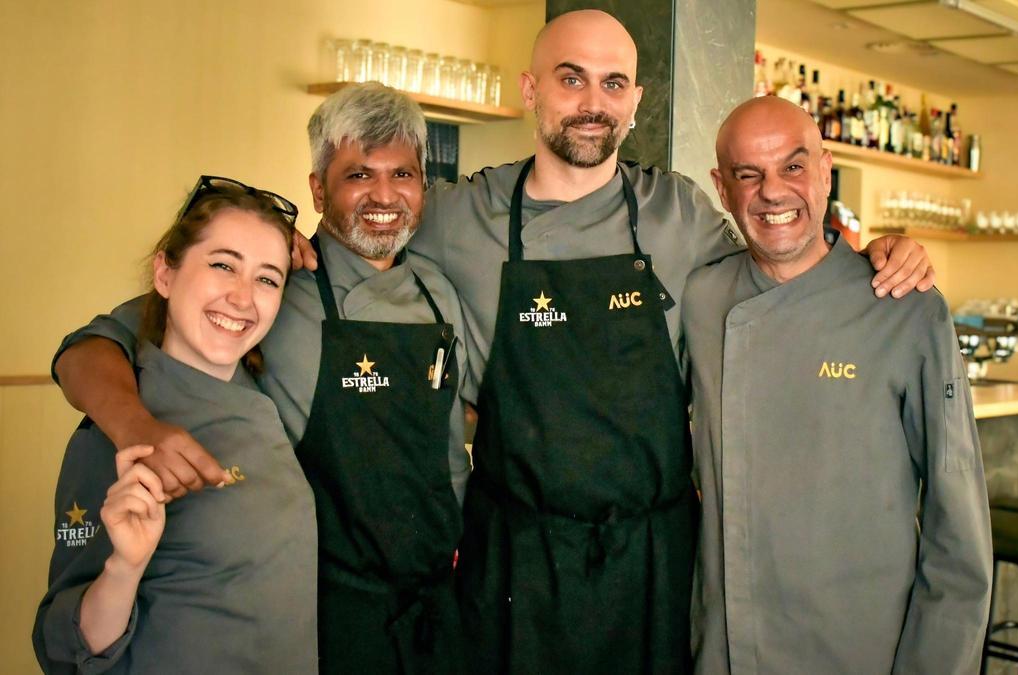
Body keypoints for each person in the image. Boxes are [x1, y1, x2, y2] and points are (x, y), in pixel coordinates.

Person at [328, 10, 931, 674]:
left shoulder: (683, 215)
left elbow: (784, 268)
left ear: (636, 100)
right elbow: (360, 230)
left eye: (614, 83)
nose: (593, 103)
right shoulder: (458, 215)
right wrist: (292, 248)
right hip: (515, 561)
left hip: (654, 561)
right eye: (571, 79)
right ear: (531, 90)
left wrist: (870, 253)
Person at [50, 85, 471, 673]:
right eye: (357, 175)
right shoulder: (274, 293)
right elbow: (90, 347)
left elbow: (451, 443)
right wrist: (136, 427)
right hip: (325, 608)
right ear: (319, 189)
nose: (384, 194)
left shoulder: (438, 291)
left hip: (433, 604)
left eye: (402, 173)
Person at [684, 96, 992, 674]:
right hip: (727, 646)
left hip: (859, 646)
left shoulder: (905, 306)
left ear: (827, 171)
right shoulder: (699, 300)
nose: (772, 192)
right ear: (721, 190)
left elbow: (959, 530)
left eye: (794, 167)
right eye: (747, 175)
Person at [34, 176, 318, 673]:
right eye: (223, 265)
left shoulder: (263, 393)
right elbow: (61, 648)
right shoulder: (121, 428)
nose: (242, 297)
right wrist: (125, 567)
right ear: (164, 274)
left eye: (267, 278)